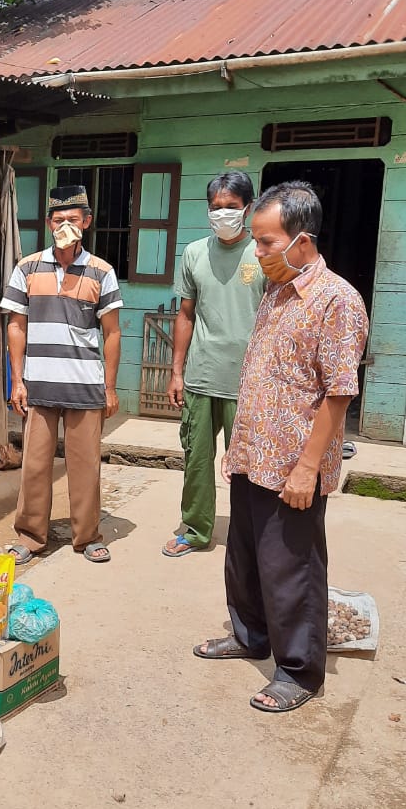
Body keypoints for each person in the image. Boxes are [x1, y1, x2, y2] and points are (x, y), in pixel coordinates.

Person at [194, 181, 368, 713]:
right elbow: (265, 374)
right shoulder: (275, 291)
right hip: (254, 455)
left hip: (294, 465)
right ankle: (250, 634)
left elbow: (338, 395)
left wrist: (307, 467)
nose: (259, 252)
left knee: (292, 567)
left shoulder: (337, 300)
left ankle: (298, 670)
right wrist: (239, 444)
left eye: (267, 242)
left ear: (302, 240)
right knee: (244, 558)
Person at [1, 185, 122, 565]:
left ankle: (87, 537)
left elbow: (113, 332)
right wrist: (17, 381)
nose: (64, 226)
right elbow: (16, 327)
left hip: (85, 386)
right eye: (58, 220)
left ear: (86, 223)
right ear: (48, 224)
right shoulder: (27, 268)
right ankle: (30, 535)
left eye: (72, 219)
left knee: (85, 466)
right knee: (35, 466)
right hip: (39, 384)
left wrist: (110, 387)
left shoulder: (102, 272)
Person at [163, 171, 264, 557]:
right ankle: (197, 530)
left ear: (248, 208)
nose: (223, 215)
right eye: (216, 208)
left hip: (249, 382)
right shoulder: (194, 253)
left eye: (232, 208)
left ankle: (249, 537)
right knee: (197, 461)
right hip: (202, 377)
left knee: (251, 465)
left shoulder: (264, 254)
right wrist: (177, 371)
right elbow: (185, 314)